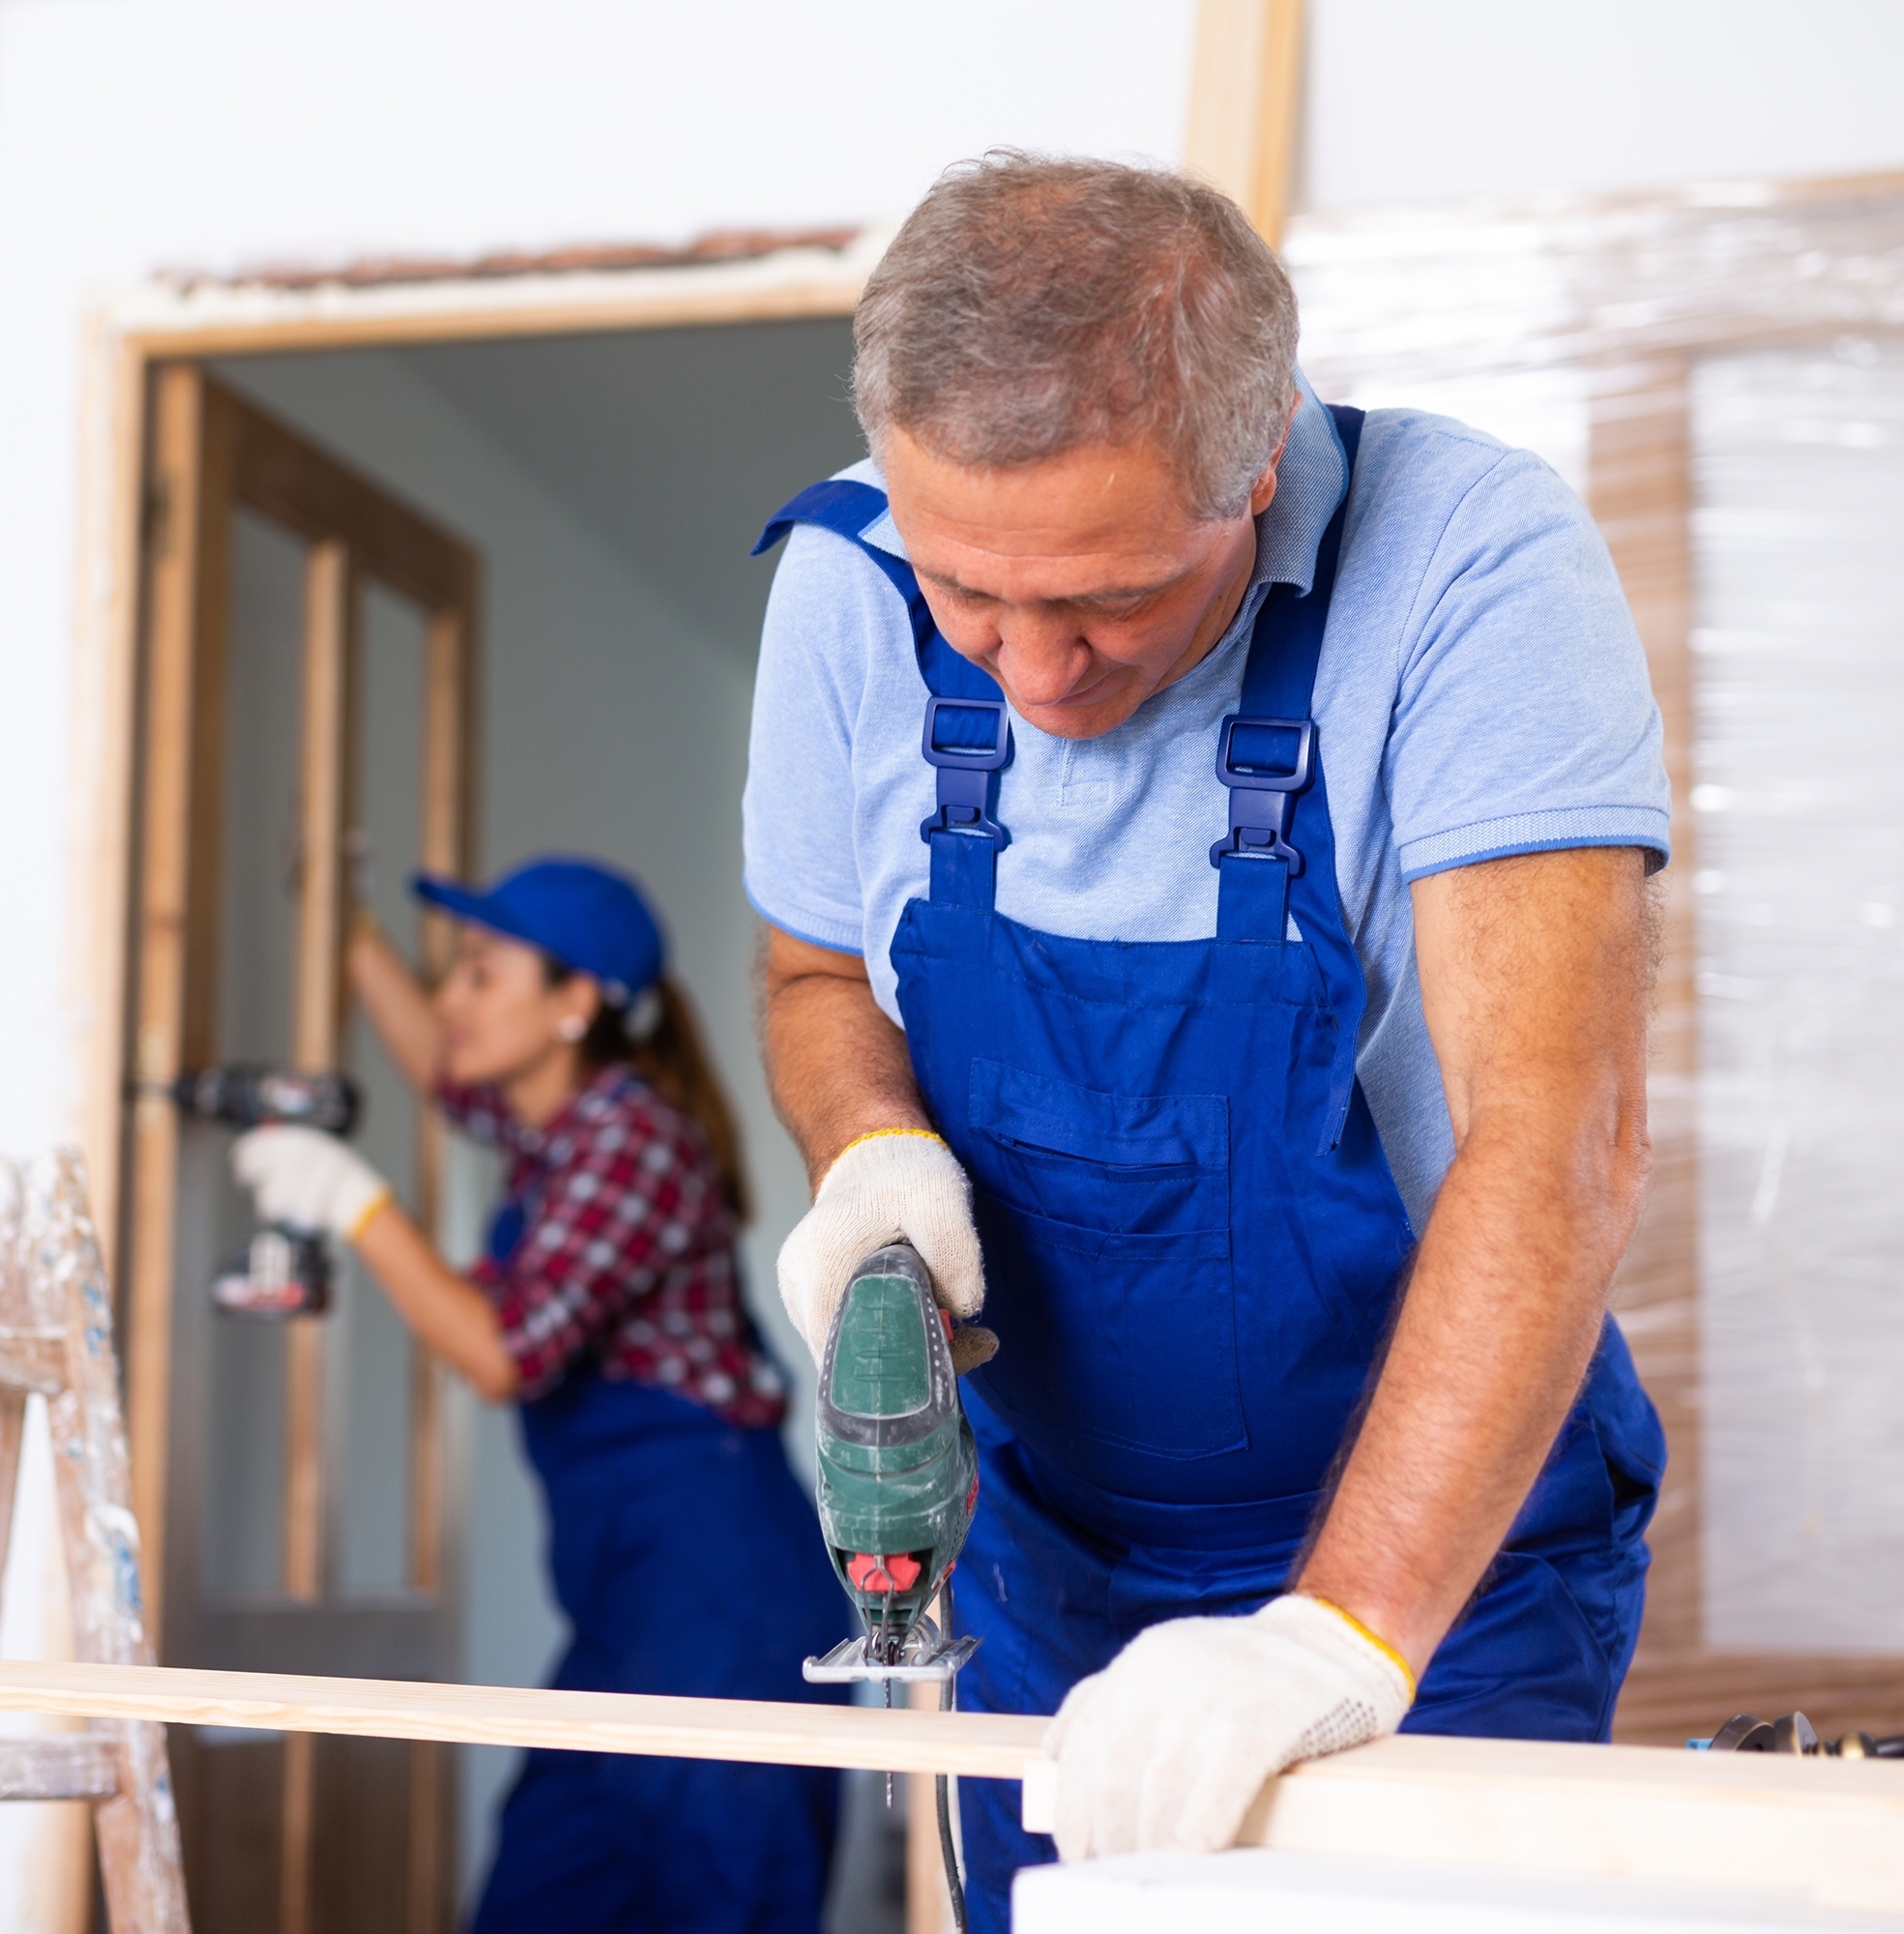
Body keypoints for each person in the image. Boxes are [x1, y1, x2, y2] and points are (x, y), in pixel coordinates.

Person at [746, 155, 1669, 1927]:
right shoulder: (851, 578)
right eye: (967, 592)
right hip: (1052, 1577)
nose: (1028, 674)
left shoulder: (1473, 569)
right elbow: (812, 978)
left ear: (1258, 469)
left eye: (1104, 600)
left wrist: (1333, 1637)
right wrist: (868, 1145)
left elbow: (1556, 1138)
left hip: (1440, 1576)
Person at [230, 855, 846, 1934]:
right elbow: (441, 1065)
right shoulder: (555, 1126)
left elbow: (506, 1351)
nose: (449, 999)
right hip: (624, 1618)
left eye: (478, 973)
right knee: (536, 1893)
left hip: (720, 1604)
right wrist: (339, 908)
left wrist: (354, 1199)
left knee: (723, 1904)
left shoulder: (634, 1138)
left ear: (573, 1004)